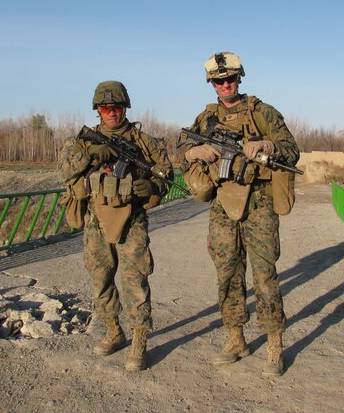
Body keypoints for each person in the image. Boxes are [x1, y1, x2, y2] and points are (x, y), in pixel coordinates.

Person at [179, 52, 300, 377]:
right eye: (219, 81)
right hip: (222, 203)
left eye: (230, 79)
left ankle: (274, 343)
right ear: (212, 83)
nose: (225, 85)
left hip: (259, 202)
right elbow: (178, 151)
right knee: (228, 274)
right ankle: (236, 338)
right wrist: (194, 151)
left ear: (239, 78)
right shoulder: (205, 120)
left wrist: (267, 147)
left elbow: (291, 149)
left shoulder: (262, 112)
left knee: (264, 274)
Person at [57, 80, 173, 372]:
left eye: (117, 107)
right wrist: (93, 155)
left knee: (135, 280)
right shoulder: (83, 141)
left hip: (131, 218)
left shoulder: (144, 141)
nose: (111, 112)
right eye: (105, 107)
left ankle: (138, 340)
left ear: (125, 108)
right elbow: (64, 171)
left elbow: (167, 174)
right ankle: (113, 330)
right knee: (100, 277)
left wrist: (153, 185)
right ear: (97, 109)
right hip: (96, 218)